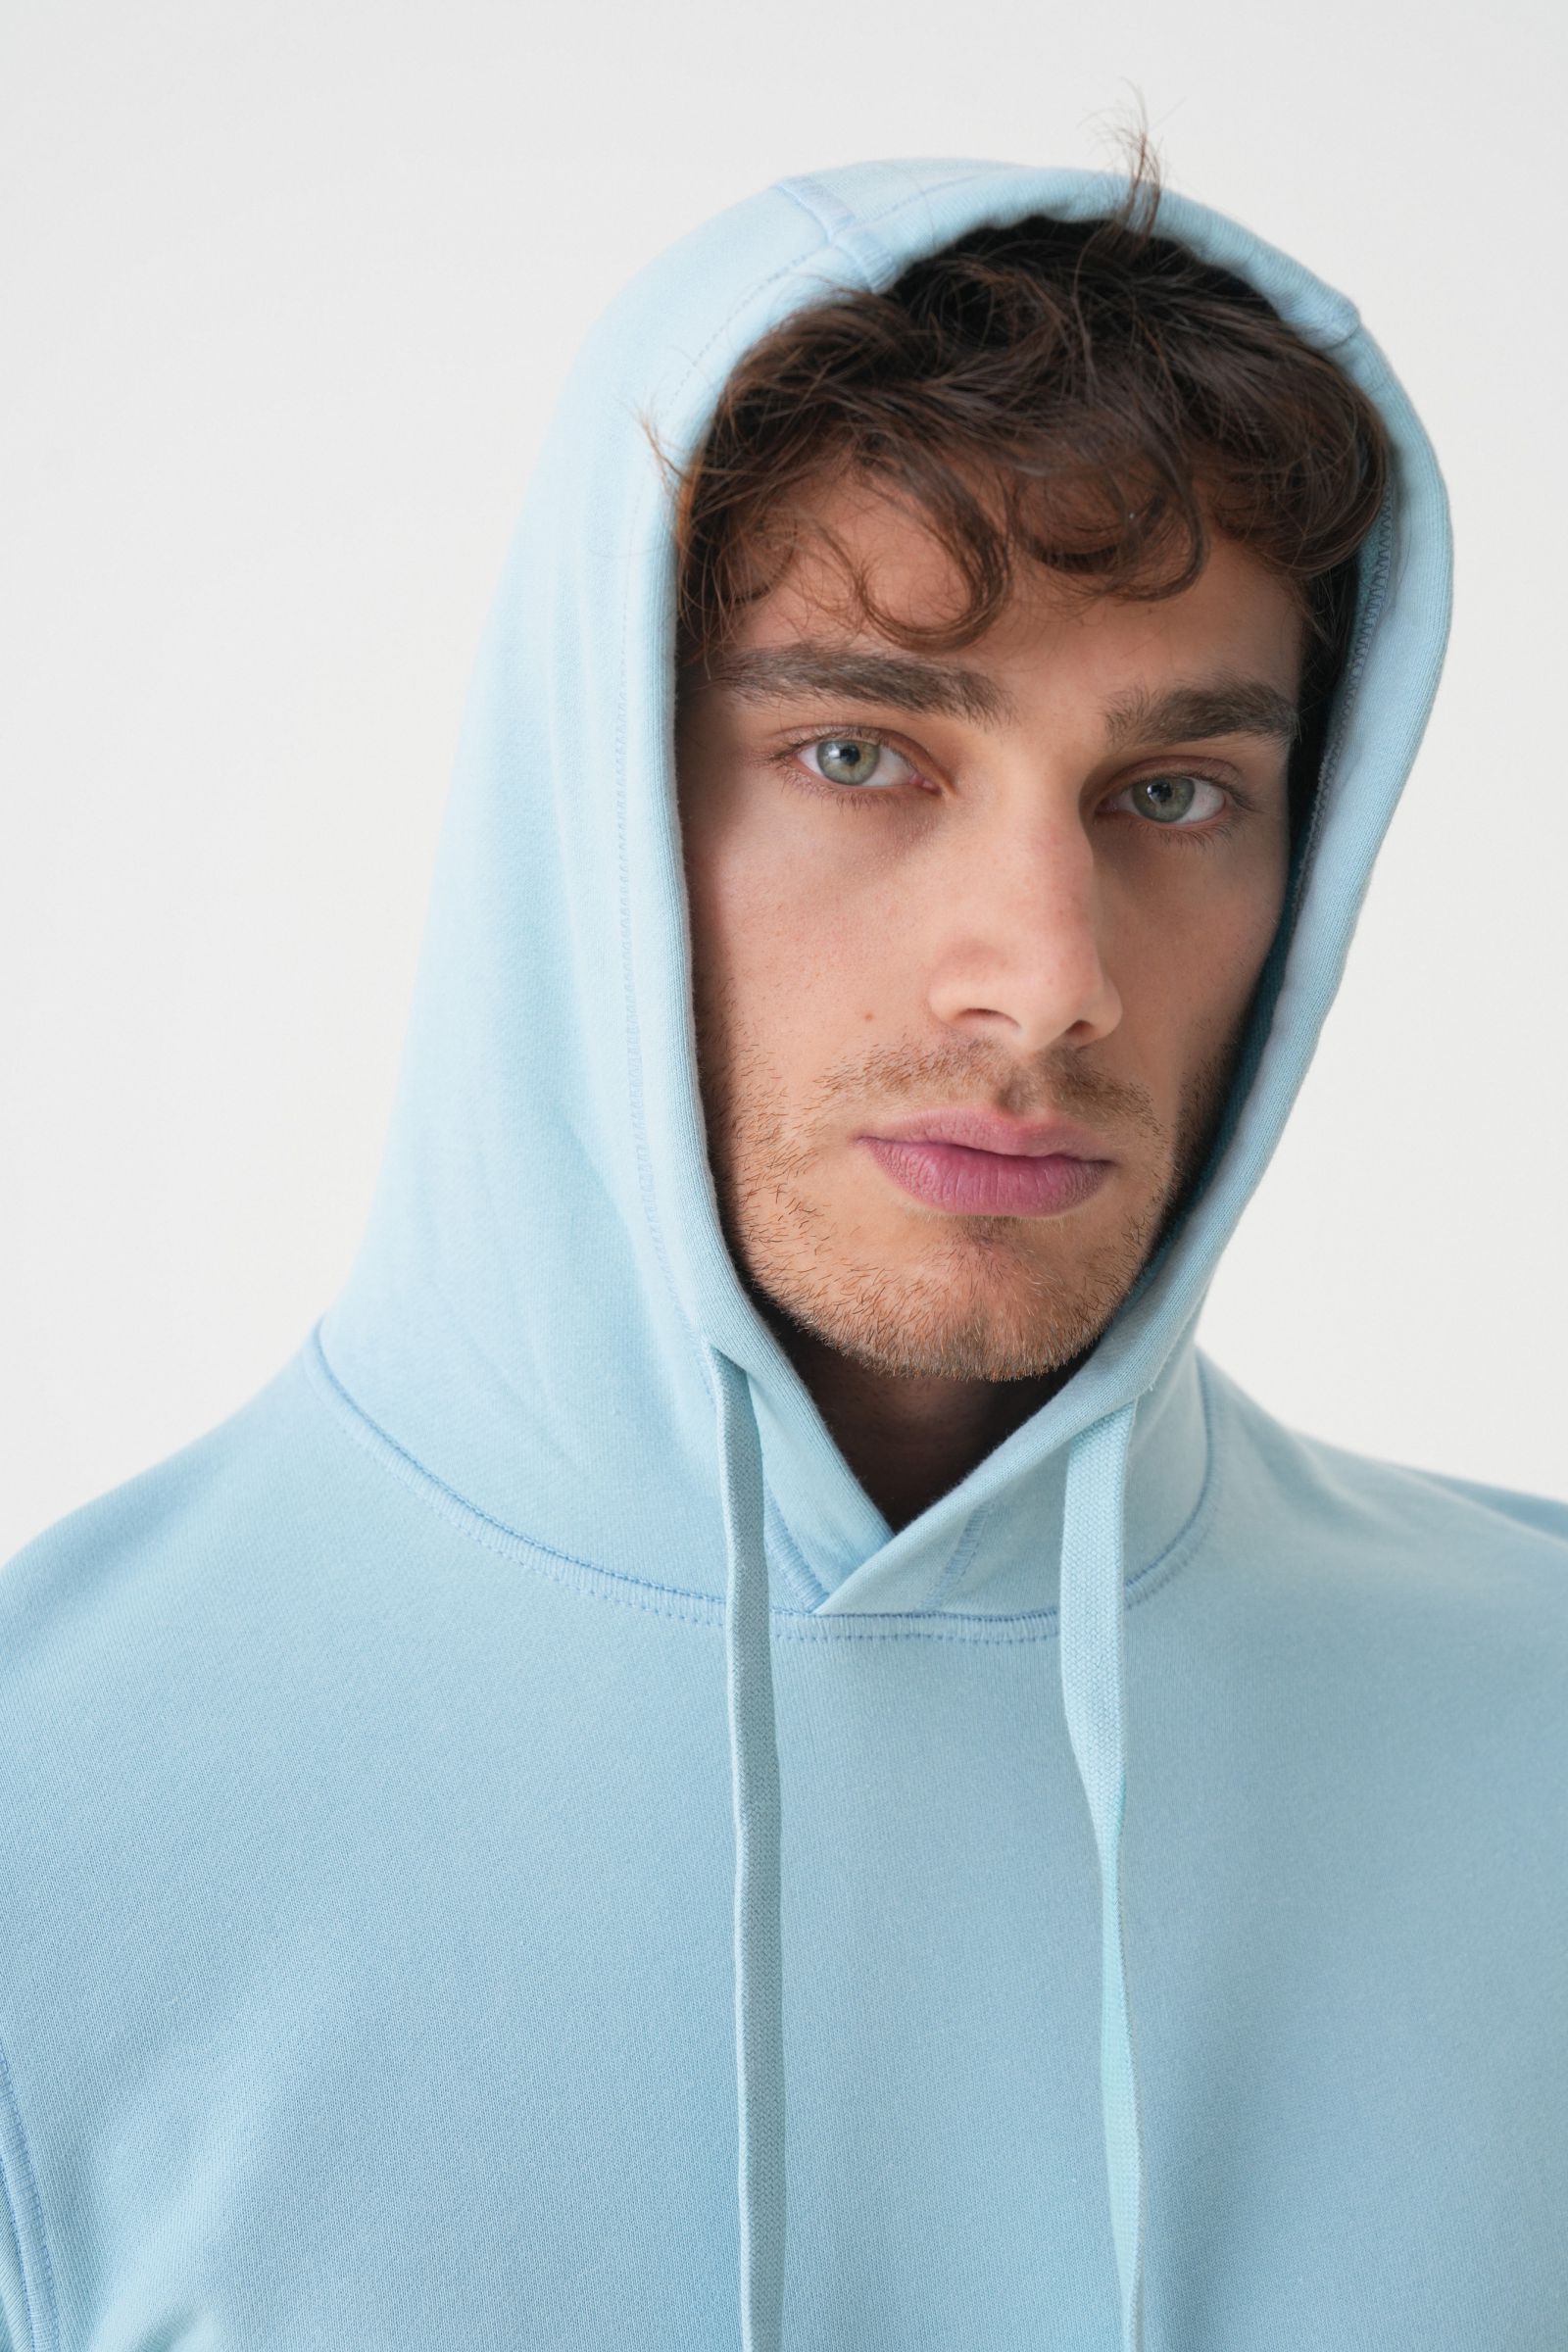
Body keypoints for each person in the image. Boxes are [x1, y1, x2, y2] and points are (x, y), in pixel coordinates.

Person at [1, 139, 1563, 2352]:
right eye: (858, 752)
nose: (1046, 984)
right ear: (595, 798)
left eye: (1172, 795)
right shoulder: (53, 1825)